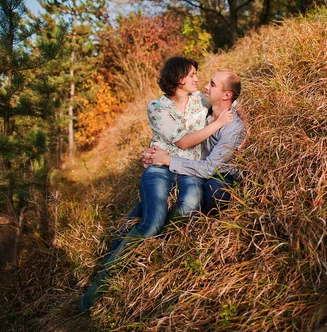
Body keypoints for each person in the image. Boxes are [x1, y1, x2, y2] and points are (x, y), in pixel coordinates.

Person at [79, 57, 233, 311]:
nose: (197, 79)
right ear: (179, 79)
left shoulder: (201, 101)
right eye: (192, 75)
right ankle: (101, 284)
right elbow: (183, 142)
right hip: (160, 167)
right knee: (153, 221)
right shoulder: (156, 108)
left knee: (190, 207)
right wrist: (216, 124)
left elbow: (227, 102)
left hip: (188, 170)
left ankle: (149, 230)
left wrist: (238, 121)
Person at [142, 70, 246, 216]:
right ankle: (142, 222)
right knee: (155, 196)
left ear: (226, 95)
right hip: (196, 167)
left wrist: (168, 160)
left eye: (212, 84)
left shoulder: (233, 128)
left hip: (219, 174)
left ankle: (169, 228)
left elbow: (211, 168)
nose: (205, 86)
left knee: (214, 195)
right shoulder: (204, 106)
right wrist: (154, 152)